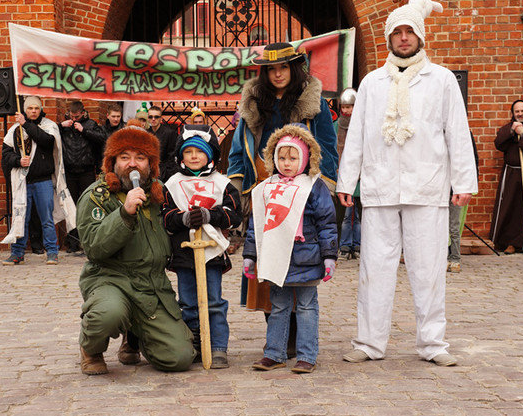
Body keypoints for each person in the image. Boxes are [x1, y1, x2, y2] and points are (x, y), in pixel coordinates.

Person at [336, 0, 478, 367]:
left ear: (420, 36)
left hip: (427, 185)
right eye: (397, 32)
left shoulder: (442, 80)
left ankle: (432, 343)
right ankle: (369, 341)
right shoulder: (371, 83)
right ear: (388, 38)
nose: (403, 38)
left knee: (428, 266)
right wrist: (347, 180)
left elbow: (457, 132)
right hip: (380, 185)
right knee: (374, 267)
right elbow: (358, 134)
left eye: (409, 31)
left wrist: (463, 181)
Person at [227, 41, 338, 357]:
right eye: (272, 68)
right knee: (266, 265)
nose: (277, 73)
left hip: (301, 189)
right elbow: (238, 150)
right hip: (265, 188)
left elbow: (327, 148)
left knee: (297, 262)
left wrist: (320, 188)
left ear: (294, 68)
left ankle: (294, 337)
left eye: (283, 67)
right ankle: (275, 333)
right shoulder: (252, 103)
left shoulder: (311, 102)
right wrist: (242, 189)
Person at [77, 125, 196, 374]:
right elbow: (95, 248)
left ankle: (135, 335)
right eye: (125, 157)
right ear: (112, 162)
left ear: (150, 164)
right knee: (107, 314)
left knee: (180, 357)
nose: (133, 164)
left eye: (140, 158)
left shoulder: (159, 193)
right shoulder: (96, 197)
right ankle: (91, 349)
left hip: (151, 285)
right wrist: (124, 214)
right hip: (111, 279)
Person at [243, 124, 337, 373]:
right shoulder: (267, 187)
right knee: (279, 307)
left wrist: (329, 256)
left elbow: (326, 223)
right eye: (282, 157)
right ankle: (274, 352)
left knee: (306, 308)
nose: (287, 163)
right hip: (276, 256)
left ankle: (307, 355)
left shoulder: (314, 186)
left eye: (293, 158)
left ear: (305, 158)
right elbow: (258, 224)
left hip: (306, 257)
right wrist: (251, 255)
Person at [162, 124, 242, 369]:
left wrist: (211, 215)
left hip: (212, 253)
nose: (194, 156)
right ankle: (195, 344)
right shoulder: (172, 184)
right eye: (188, 152)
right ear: (180, 156)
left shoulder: (222, 183)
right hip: (185, 253)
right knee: (188, 302)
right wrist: (182, 218)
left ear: (210, 154)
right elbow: (164, 216)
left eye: (200, 151)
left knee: (213, 300)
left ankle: (217, 346)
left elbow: (234, 215)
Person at [1, 96, 76, 265]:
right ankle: (17, 252)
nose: (33, 111)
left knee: (47, 219)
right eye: (30, 108)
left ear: (40, 109)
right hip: (23, 180)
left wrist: (26, 124)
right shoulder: (15, 130)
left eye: (36, 108)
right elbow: (6, 154)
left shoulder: (49, 126)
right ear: (25, 110)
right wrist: (17, 161)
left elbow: (45, 140)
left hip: (43, 180)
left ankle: (51, 252)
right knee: (21, 218)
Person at [490, 100, 523, 254]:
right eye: (517, 111)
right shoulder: (506, 129)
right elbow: (499, 144)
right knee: (511, 207)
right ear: (513, 113)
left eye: (522, 111)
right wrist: (512, 132)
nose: (520, 114)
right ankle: (510, 242)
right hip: (512, 173)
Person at [59, 100, 106, 252]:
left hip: (86, 171)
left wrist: (83, 130)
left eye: (77, 116)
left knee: (87, 206)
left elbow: (102, 138)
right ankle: (72, 242)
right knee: (71, 207)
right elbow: (49, 135)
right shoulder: (65, 125)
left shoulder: (91, 124)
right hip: (70, 171)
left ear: (83, 113)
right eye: (72, 116)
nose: (74, 119)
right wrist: (61, 126)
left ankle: (87, 241)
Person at [334, 88, 361, 259]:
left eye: (349, 107)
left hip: (360, 177)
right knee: (344, 216)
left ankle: (357, 246)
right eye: (344, 107)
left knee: (357, 216)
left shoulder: (362, 125)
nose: (346, 110)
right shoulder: (336, 126)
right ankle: (344, 246)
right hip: (342, 175)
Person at [447, 132, 479, 273]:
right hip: (438, 184)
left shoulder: (464, 134)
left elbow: (472, 160)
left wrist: (469, 184)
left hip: (455, 187)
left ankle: (454, 258)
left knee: (454, 225)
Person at [147, 105, 177, 182]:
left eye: (156, 117)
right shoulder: (145, 133)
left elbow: (172, 156)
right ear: (148, 118)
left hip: (164, 172)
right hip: (148, 171)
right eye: (151, 117)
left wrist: (164, 172)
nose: (153, 119)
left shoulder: (169, 133)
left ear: (161, 118)